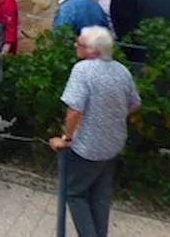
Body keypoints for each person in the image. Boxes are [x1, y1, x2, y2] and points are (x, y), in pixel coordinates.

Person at [49, 26, 141, 237]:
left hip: (87, 146)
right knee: (100, 196)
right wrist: (113, 118)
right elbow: (135, 103)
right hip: (113, 142)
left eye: (79, 44)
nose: (75, 45)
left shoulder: (83, 70)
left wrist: (67, 138)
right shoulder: (121, 70)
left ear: (92, 51)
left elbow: (74, 110)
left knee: (74, 193)